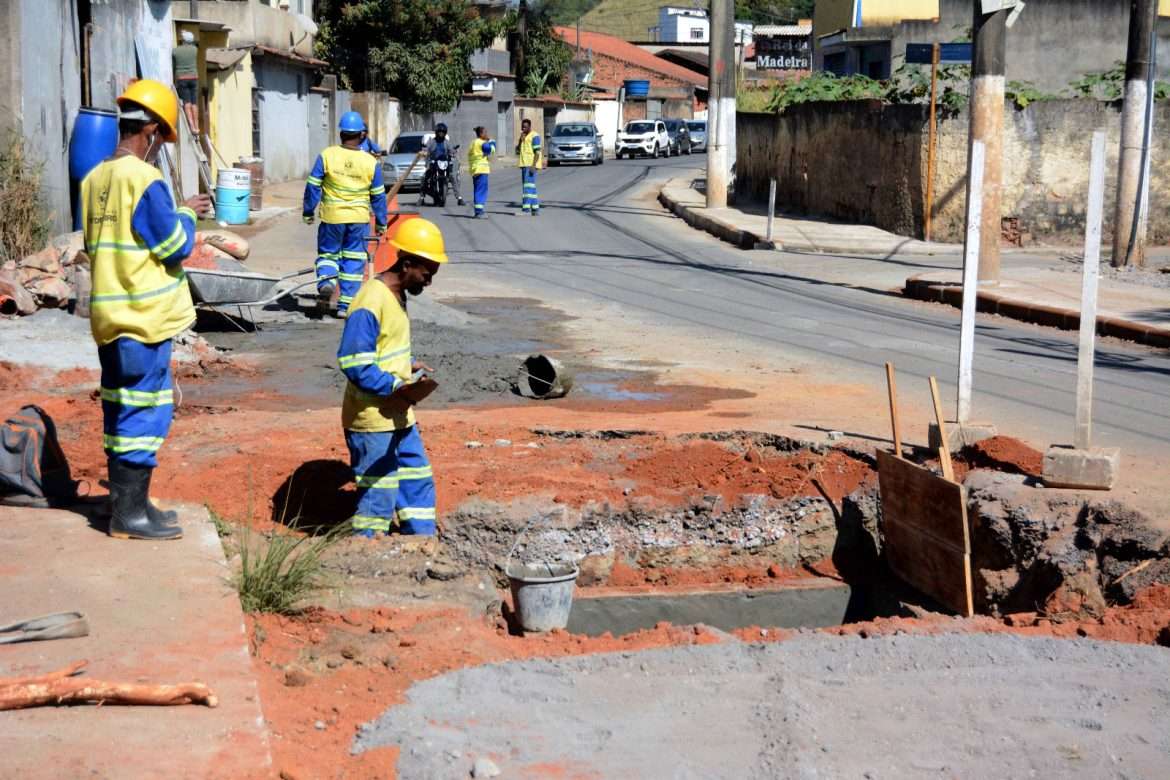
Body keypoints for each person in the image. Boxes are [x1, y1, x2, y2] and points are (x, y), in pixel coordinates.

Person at [80, 79, 212, 540]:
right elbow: (174, 247)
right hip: (143, 318)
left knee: (120, 411)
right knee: (145, 413)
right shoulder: (144, 178)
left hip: (109, 319)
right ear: (151, 130)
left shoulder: (95, 178)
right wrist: (188, 216)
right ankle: (130, 515)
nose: (160, 150)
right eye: (161, 140)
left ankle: (129, 506)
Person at [335, 218, 448, 539]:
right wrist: (395, 385)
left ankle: (423, 546)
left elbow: (383, 347)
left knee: (417, 479)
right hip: (372, 420)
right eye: (426, 273)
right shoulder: (371, 300)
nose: (428, 282)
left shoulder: (397, 297)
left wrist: (407, 366)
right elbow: (353, 361)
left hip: (399, 414)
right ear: (407, 263)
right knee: (379, 495)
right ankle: (368, 558)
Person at [303, 111, 388, 317]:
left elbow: (313, 186)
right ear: (361, 135)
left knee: (328, 254)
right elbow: (378, 196)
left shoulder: (327, 155)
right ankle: (345, 307)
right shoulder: (370, 162)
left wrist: (308, 211)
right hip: (358, 220)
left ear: (341, 134)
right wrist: (381, 223)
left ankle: (327, 281)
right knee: (354, 259)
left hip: (332, 217)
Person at [418, 123, 463, 207]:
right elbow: (426, 148)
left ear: (445, 133)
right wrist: (424, 151)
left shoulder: (447, 142)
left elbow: (451, 149)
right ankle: (421, 198)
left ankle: (459, 198)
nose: (441, 134)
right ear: (436, 132)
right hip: (433, 163)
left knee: (453, 177)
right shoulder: (432, 141)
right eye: (439, 132)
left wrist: (453, 152)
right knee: (424, 178)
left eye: (443, 132)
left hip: (444, 162)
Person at [172, 30, 199, 133]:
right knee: (194, 103)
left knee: (186, 103)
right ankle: (196, 126)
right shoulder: (194, 49)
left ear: (182, 40)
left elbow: (173, 58)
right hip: (193, 77)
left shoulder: (175, 51)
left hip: (182, 78)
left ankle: (191, 127)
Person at [515, 118, 542, 216]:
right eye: (522, 126)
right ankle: (535, 209)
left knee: (527, 187)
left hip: (530, 165)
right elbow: (517, 150)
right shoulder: (523, 136)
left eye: (525, 127)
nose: (523, 128)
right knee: (531, 187)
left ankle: (526, 209)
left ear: (530, 127)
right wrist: (520, 140)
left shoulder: (535, 136)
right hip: (524, 164)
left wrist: (533, 165)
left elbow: (537, 152)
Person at [467, 126, 496, 218]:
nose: (487, 134)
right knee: (481, 191)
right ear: (481, 134)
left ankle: (478, 211)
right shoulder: (482, 143)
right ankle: (479, 212)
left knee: (477, 190)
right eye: (485, 132)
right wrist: (492, 141)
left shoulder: (473, 143)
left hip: (474, 169)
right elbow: (491, 150)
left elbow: (479, 153)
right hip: (482, 169)